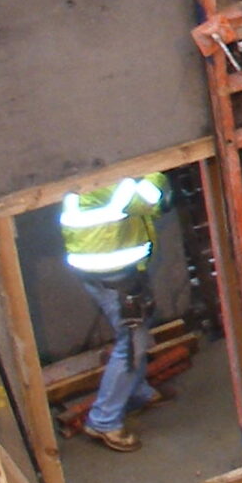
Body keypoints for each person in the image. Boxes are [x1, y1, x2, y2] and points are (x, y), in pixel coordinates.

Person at [59, 174, 167, 453]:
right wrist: (155, 170)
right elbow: (151, 200)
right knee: (132, 343)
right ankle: (103, 421)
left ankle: (137, 391)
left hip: (107, 271)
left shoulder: (85, 166)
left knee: (137, 330)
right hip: (114, 274)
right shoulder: (106, 174)